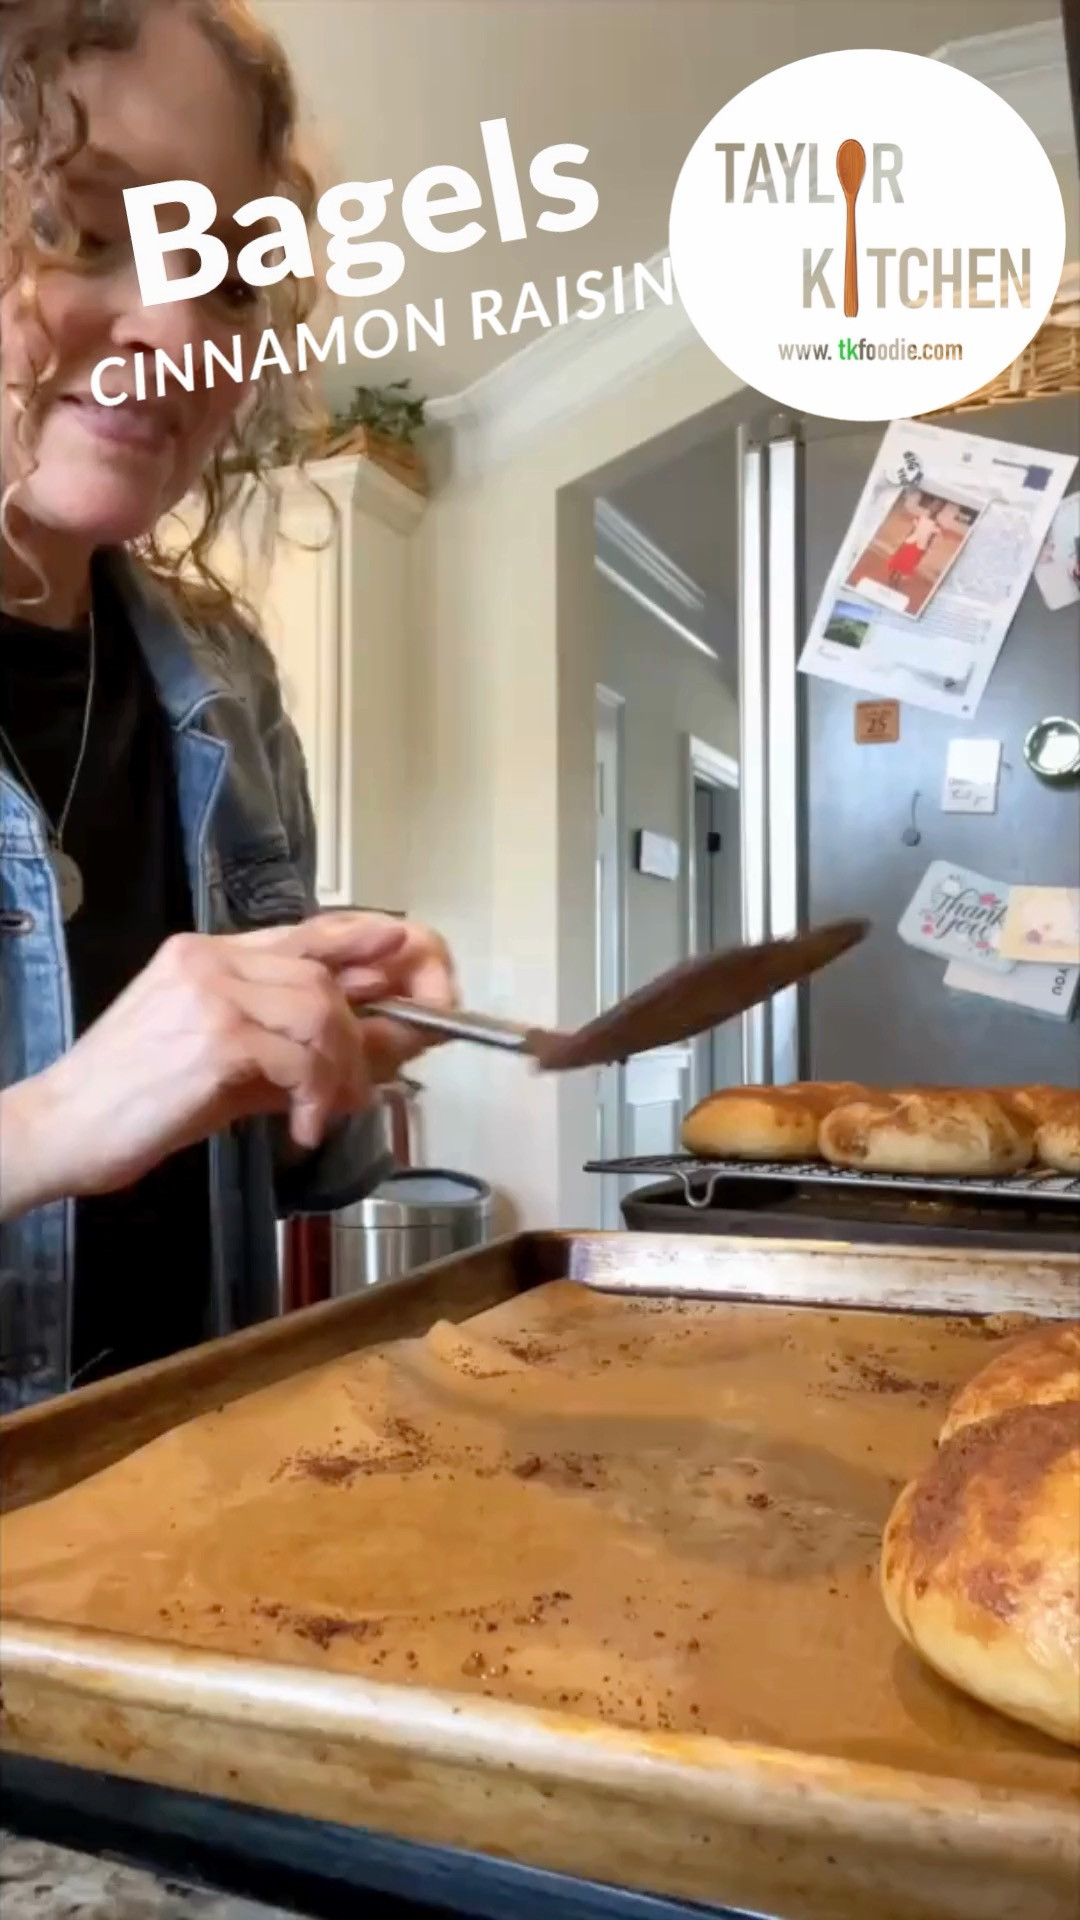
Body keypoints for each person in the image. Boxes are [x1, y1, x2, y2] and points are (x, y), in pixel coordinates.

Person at [0, 0, 457, 1409]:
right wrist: (55, 1122)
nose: (176, 328)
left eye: (228, 271)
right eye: (82, 229)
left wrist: (332, 1076)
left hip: (165, 1562)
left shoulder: (228, 683)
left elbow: (259, 1177)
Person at [887, 499, 941, 591]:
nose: (934, 508)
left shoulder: (936, 524)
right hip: (910, 542)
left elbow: (931, 538)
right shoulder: (920, 518)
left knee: (907, 564)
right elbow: (912, 530)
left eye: (937, 507)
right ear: (930, 507)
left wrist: (927, 548)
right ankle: (892, 577)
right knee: (900, 560)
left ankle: (896, 580)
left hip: (920, 546)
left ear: (939, 510)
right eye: (933, 506)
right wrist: (905, 539)